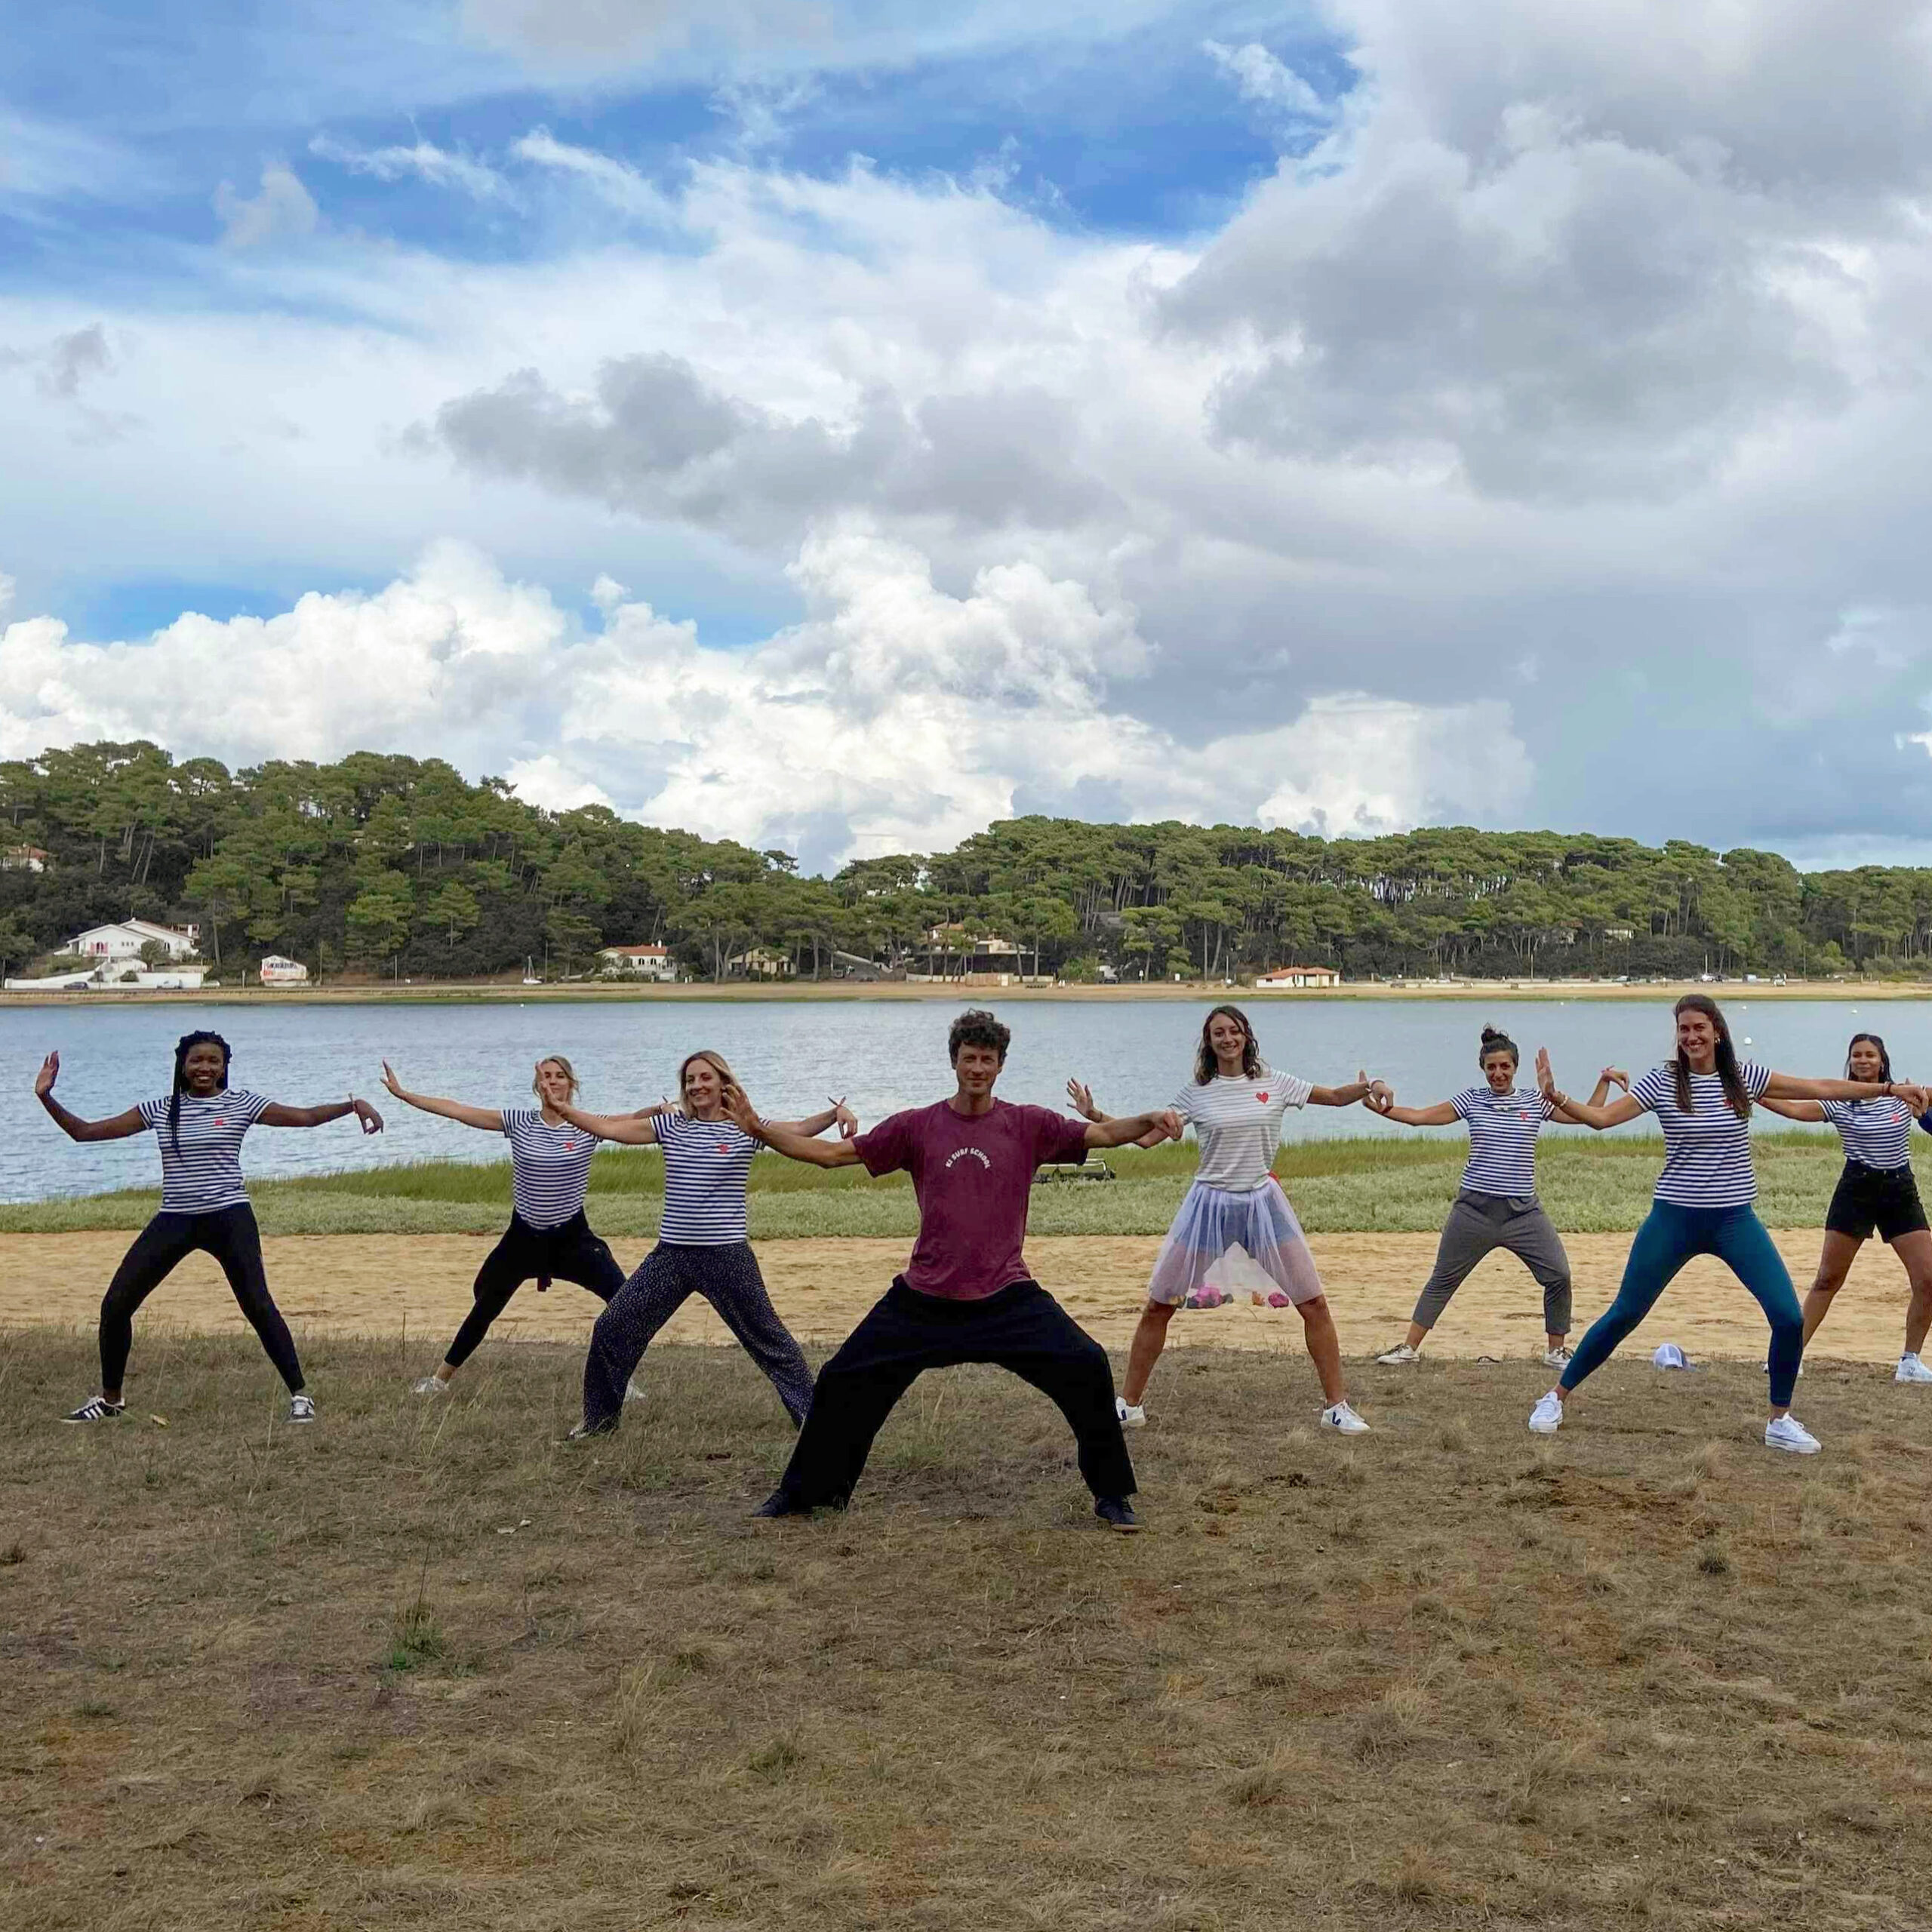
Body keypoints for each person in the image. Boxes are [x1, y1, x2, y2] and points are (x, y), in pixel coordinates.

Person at [724, 1008, 1181, 1531]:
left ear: (1000, 1065)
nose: (978, 1068)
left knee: (1086, 1365)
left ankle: (1113, 1496)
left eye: (988, 1059)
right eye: (970, 1058)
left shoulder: (1027, 1125)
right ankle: (806, 1494)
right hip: (925, 1299)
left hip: (1006, 1297)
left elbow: (1100, 1137)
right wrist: (758, 1127)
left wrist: (1146, 1120)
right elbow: (831, 1155)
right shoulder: (918, 1126)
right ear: (955, 1063)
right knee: (842, 1378)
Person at [1530, 995, 1930, 1453]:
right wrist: (1557, 1097)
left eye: (1699, 1027)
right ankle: (1555, 1397)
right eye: (1683, 1030)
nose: (1691, 1037)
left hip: (1735, 1219)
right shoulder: (1663, 1081)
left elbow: (1817, 1087)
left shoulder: (1744, 1077)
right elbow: (1601, 1120)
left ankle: (1779, 1419)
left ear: (1716, 1030)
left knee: (1786, 1316)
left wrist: (1886, 1090)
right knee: (1626, 1312)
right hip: (1674, 1218)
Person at [1067, 1004, 1386, 1435]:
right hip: (1208, 1206)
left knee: (1313, 1302)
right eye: (1219, 1032)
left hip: (1263, 1203)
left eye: (1234, 1030)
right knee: (1160, 1304)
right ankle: (1129, 1405)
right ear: (1209, 1041)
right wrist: (1097, 1116)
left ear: (1246, 1036)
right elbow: (1145, 1139)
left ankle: (1336, 1407)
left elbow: (1330, 1096)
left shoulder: (1274, 1082)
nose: (1228, 1038)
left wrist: (1368, 1088)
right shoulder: (1196, 1093)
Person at [33, 1033, 383, 1423]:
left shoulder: (241, 1103)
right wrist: (46, 1097)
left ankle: (300, 1396)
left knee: (258, 1305)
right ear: (182, 1065)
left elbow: (303, 1118)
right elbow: (85, 1132)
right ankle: (111, 1400)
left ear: (224, 1066)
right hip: (175, 1219)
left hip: (229, 1217)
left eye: (213, 1061)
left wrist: (353, 1106)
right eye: (196, 1060)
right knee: (115, 1306)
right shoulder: (161, 1109)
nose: (205, 1068)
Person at [549, 1050, 854, 1435]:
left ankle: (816, 1422)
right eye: (690, 1080)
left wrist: (834, 1114)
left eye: (704, 1078)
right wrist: (562, 1109)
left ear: (723, 1082)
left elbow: (798, 1131)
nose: (697, 1086)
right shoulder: (670, 1126)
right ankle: (600, 1423)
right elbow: (610, 1130)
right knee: (613, 1327)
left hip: (727, 1256)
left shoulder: (747, 1126)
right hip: (671, 1256)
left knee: (770, 1341)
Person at [380, 1055, 657, 1395]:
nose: (552, 1082)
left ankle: (621, 1380)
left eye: (559, 1076)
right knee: (484, 1304)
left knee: (625, 1301)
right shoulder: (519, 1121)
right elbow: (459, 1110)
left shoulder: (588, 1124)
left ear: (572, 1084)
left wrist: (666, 1109)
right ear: (537, 1086)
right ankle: (440, 1380)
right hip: (522, 1238)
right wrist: (406, 1095)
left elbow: (634, 1119)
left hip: (573, 1237)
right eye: (545, 1077)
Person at [1367, 1026, 1619, 1368]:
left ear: (1515, 1067)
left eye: (1505, 1067)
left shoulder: (1535, 1100)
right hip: (1474, 1211)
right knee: (1443, 1278)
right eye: (1492, 1068)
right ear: (1483, 1069)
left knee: (1558, 1274)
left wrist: (1602, 1081)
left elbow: (1591, 1116)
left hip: (1523, 1213)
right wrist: (1382, 1109)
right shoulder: (1471, 1099)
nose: (1498, 1074)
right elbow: (1420, 1118)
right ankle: (1409, 1347)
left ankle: (1556, 1350)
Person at [1755, 1032, 1932, 1384]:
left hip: (1899, 1189)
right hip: (1856, 1190)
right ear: (1850, 1062)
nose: (1863, 1060)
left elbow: (1930, 1117)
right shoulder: (1838, 1099)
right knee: (1828, 1278)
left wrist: (1923, 1109)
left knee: (1928, 1279)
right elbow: (1795, 1108)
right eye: (1857, 1055)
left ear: (1882, 1061)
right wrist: (1753, 1094)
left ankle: (1910, 1361)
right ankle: (1789, 1356)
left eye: (1870, 1055)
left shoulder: (1902, 1094)